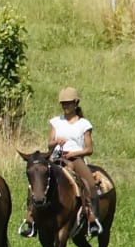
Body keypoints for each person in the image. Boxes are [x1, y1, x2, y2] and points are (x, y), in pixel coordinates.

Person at [39, 86, 103, 238]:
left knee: (90, 183)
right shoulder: (56, 122)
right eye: (63, 103)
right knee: (38, 180)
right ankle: (32, 219)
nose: (65, 106)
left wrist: (74, 153)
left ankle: (93, 218)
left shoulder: (84, 124)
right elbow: (49, 144)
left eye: (68, 103)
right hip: (57, 157)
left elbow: (89, 149)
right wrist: (56, 142)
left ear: (75, 103)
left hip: (76, 158)